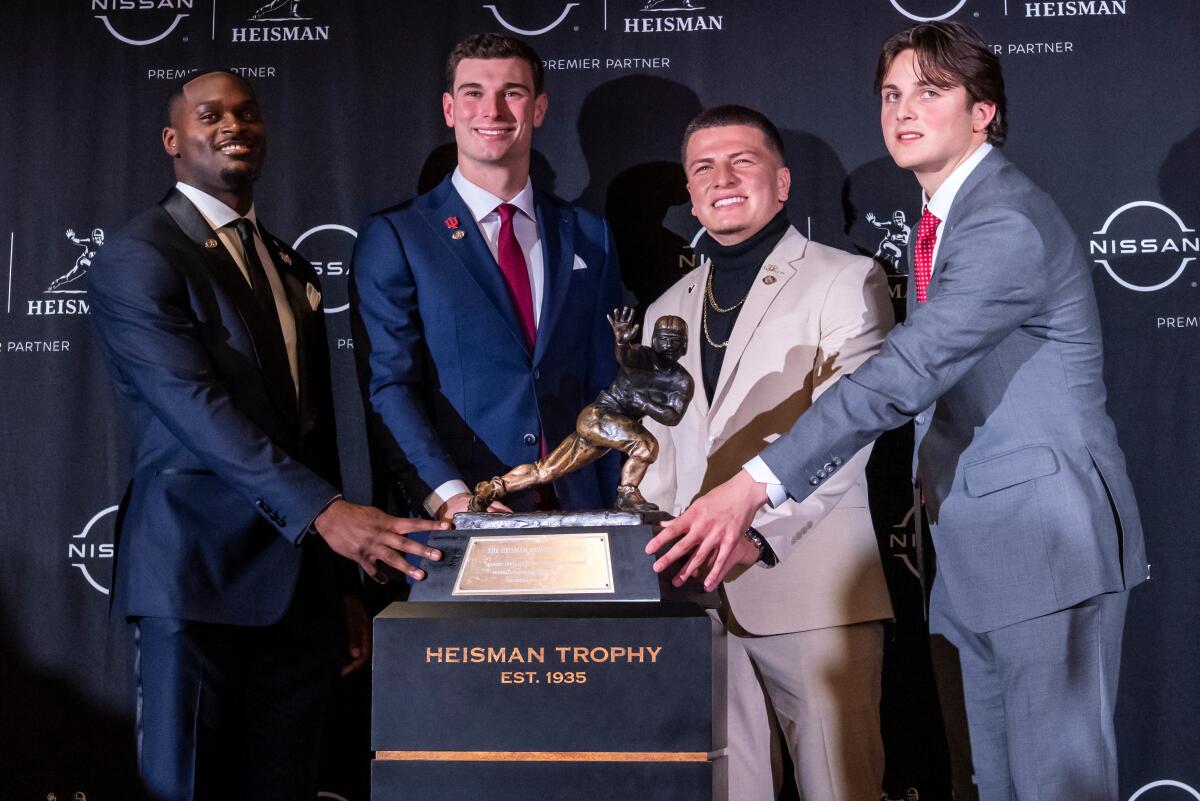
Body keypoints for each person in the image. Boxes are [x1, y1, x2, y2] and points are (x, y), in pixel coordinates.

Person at [648, 23, 1147, 801]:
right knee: (999, 783)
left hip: (1044, 544)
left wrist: (755, 484)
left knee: (1058, 785)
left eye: (930, 90)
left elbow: (905, 372)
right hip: (979, 551)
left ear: (983, 112)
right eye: (891, 94)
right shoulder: (941, 221)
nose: (903, 110)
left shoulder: (1001, 221)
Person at [88, 70, 445, 800]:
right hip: (196, 582)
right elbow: (193, 407)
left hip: (299, 594)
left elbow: (310, 435)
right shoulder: (140, 254)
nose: (233, 126)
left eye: (247, 113)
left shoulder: (288, 263)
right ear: (172, 139)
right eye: (209, 114)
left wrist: (339, 584)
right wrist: (326, 513)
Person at [640, 105, 894, 800]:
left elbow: (849, 432)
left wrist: (759, 531)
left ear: (781, 183)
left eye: (741, 161)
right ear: (690, 193)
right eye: (703, 167)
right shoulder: (665, 307)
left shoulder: (848, 279)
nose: (722, 178)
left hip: (812, 593)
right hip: (697, 600)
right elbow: (660, 452)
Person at [351, 32, 624, 522]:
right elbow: (391, 386)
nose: (493, 110)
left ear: (538, 108)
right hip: (465, 514)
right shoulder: (398, 236)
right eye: (474, 93)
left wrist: (613, 500)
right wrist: (452, 496)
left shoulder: (590, 235)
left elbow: (605, 382)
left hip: (581, 513)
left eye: (512, 93)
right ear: (449, 109)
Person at [471, 308, 693, 513]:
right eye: (664, 339)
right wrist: (622, 343)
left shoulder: (681, 381)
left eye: (676, 341)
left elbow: (672, 416)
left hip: (611, 429)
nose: (669, 346)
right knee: (646, 445)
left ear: (685, 345)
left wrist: (644, 404)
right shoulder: (642, 357)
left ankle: (492, 488)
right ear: (654, 340)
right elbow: (625, 356)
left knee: (546, 471)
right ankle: (627, 493)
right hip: (598, 416)